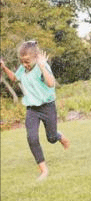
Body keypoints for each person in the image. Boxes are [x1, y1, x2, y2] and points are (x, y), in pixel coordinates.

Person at [0, 41, 70, 181]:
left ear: (36, 57)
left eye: (27, 61)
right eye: (22, 61)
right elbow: (15, 78)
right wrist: (3, 67)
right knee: (31, 137)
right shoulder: (22, 68)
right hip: (32, 109)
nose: (25, 64)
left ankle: (58, 136)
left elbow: (51, 84)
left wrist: (43, 66)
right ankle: (43, 170)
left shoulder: (41, 66)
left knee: (51, 138)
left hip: (47, 106)